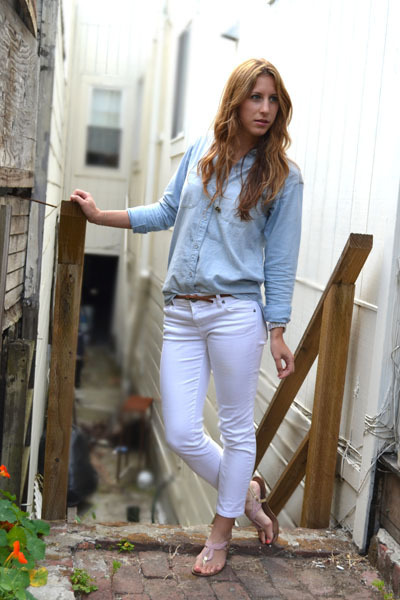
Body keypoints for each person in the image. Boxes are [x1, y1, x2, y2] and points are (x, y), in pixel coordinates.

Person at [70, 57, 303, 577]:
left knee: (237, 429)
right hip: (180, 312)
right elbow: (166, 210)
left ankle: (220, 535)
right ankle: (245, 492)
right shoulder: (202, 150)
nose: (265, 109)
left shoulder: (284, 178)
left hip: (235, 312)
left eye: (273, 100)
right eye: (256, 97)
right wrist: (101, 216)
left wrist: (278, 330)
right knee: (179, 432)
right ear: (236, 100)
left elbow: (282, 261)